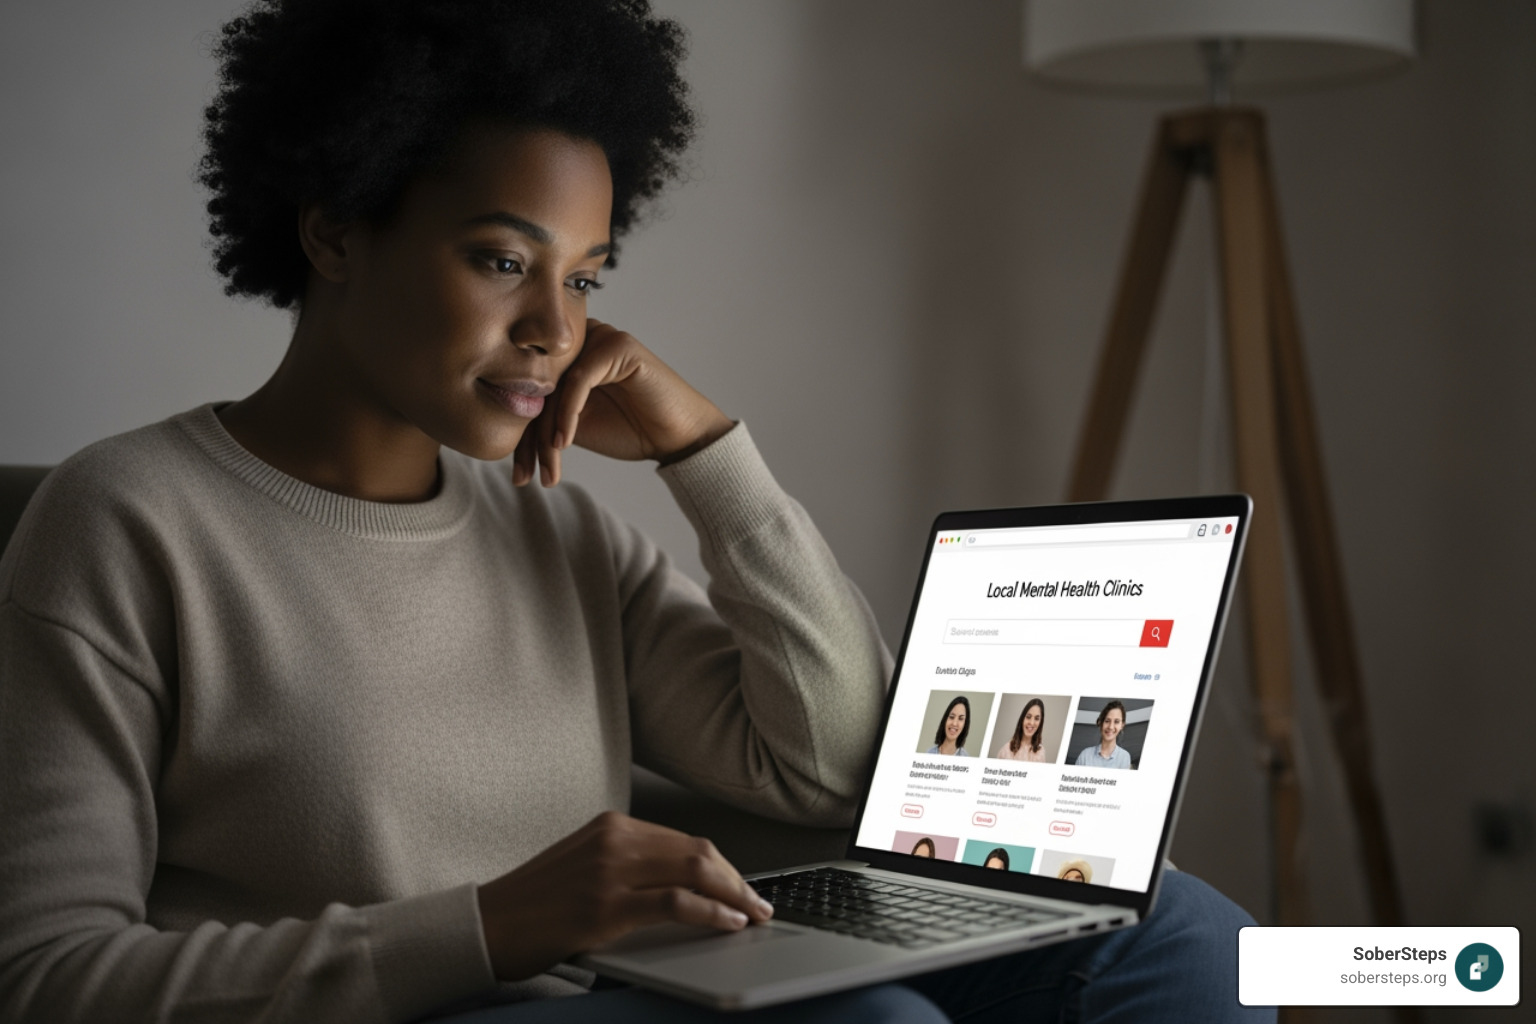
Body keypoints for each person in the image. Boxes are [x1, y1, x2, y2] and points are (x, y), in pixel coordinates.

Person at [0, 3, 1270, 1022]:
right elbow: (50, 976)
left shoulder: (554, 527)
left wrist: (702, 448)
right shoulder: (124, 520)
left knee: (1185, 934)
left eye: (587, 276)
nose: (559, 331)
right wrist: (493, 925)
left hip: (633, 986)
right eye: (504, 261)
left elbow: (826, 766)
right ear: (335, 231)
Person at [1075, 700, 1133, 770]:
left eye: (1116, 722)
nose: (1111, 727)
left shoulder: (1124, 757)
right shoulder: (1085, 755)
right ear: (1101, 723)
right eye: (1107, 721)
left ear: (1122, 725)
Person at [996, 697, 1048, 762]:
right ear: (1022, 719)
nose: (1031, 723)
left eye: (1036, 719)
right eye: (1028, 717)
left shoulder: (1040, 753)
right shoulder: (1006, 749)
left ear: (1040, 722)